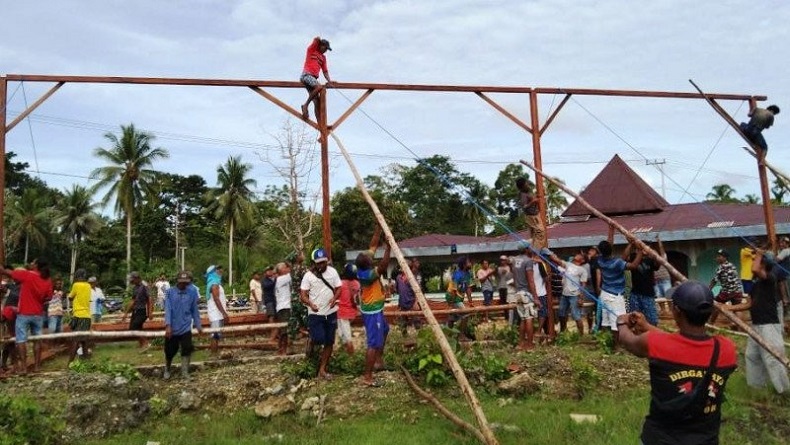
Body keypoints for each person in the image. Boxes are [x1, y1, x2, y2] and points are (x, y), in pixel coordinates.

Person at [617, 281, 737, 445]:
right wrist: (647, 326)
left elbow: (628, 341)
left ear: (676, 311)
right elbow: (685, 346)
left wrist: (621, 322)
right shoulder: (727, 349)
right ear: (710, 312)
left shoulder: (654, 344)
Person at [730, 252, 790, 393]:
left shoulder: (770, 279)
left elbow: (755, 269)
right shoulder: (756, 285)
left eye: (757, 261)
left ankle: (784, 391)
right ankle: (757, 388)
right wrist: (727, 307)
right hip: (756, 325)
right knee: (752, 356)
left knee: (772, 358)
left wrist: (758, 253)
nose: (753, 264)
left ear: (763, 265)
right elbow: (748, 304)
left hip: (768, 325)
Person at [1, 258, 54, 374]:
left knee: (21, 340)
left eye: (33, 262)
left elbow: (8, 272)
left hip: (24, 313)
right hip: (38, 314)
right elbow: (48, 298)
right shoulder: (48, 280)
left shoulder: (27, 275)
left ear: (36, 266)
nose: (30, 264)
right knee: (37, 340)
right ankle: (37, 367)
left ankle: (24, 367)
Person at [356, 228, 392, 387]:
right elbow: (383, 266)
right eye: (370, 260)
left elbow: (372, 245)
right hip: (372, 312)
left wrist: (377, 228)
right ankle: (367, 376)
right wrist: (388, 248)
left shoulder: (364, 264)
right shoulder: (367, 275)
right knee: (373, 343)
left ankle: (378, 360)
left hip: (374, 309)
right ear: (368, 264)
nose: (372, 258)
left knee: (385, 329)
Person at [300, 248, 342, 380]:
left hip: (330, 312)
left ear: (327, 261)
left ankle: (322, 369)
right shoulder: (308, 276)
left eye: (323, 262)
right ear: (313, 263)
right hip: (315, 313)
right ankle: (311, 344)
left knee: (329, 341)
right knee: (318, 338)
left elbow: (339, 288)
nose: (321, 265)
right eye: (318, 263)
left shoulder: (333, 272)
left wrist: (334, 298)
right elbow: (303, 295)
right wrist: (310, 304)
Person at [596, 239, 643, 349]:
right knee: (618, 322)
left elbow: (622, 258)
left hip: (605, 294)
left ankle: (605, 344)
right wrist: (640, 251)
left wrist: (630, 244)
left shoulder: (600, 260)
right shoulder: (617, 263)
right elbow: (634, 265)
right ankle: (617, 347)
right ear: (611, 249)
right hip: (615, 296)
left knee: (606, 322)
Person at [163, 271, 203, 380]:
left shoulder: (192, 292)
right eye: (182, 283)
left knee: (187, 348)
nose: (184, 285)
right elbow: (168, 309)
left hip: (185, 326)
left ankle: (185, 372)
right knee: (170, 350)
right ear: (177, 281)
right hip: (173, 327)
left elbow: (194, 309)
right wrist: (168, 325)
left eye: (186, 283)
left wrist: (198, 324)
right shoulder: (169, 292)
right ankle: (167, 369)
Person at [545, 251, 589, 335]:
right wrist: (548, 252)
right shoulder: (568, 264)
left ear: (582, 260)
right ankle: (563, 331)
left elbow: (583, 285)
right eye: (578, 253)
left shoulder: (582, 270)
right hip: (564, 294)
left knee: (576, 315)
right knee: (561, 313)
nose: (577, 254)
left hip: (574, 295)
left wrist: (581, 298)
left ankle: (581, 335)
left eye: (580, 255)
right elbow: (556, 259)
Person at [511, 245, 540, 350]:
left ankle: (521, 343)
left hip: (518, 292)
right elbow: (531, 281)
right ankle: (529, 344)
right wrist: (536, 298)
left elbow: (514, 278)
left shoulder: (515, 260)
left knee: (523, 318)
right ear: (527, 249)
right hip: (526, 293)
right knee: (529, 318)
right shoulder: (528, 261)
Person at [300, 36, 333, 121]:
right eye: (325, 48)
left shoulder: (323, 58)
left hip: (313, 79)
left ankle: (319, 124)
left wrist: (330, 81)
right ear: (320, 45)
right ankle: (305, 105)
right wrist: (318, 40)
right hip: (306, 75)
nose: (326, 50)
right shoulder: (312, 50)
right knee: (319, 87)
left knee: (317, 102)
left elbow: (325, 71)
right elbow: (317, 39)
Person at [708, 249, 744, 325]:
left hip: (727, 292)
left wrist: (708, 289)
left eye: (719, 256)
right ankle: (740, 326)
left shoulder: (721, 267)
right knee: (738, 308)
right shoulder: (732, 265)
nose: (717, 258)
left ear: (725, 258)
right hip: (737, 290)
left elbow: (714, 280)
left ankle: (711, 324)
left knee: (716, 306)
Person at [629, 248, 660, 326]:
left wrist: (655, 255)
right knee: (635, 318)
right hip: (635, 293)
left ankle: (651, 334)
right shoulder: (633, 257)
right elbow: (624, 257)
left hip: (648, 293)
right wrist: (631, 245)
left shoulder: (650, 259)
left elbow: (657, 265)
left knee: (652, 319)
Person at [121, 272, 153, 350]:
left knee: (135, 326)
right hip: (136, 310)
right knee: (133, 328)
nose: (132, 282)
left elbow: (150, 299)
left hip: (143, 310)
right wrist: (126, 313)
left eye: (133, 280)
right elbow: (133, 301)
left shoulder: (144, 286)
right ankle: (142, 344)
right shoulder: (135, 288)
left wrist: (150, 312)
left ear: (137, 278)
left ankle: (146, 343)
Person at [446, 256, 475, 339]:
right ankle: (461, 336)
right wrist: (451, 302)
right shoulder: (457, 274)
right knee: (466, 315)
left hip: (459, 297)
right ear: (464, 264)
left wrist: (470, 302)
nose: (470, 264)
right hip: (453, 297)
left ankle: (447, 336)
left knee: (452, 317)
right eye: (469, 262)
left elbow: (468, 288)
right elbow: (453, 289)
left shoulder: (468, 274)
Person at [67, 269, 93, 363]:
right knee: (84, 341)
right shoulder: (89, 286)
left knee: (75, 340)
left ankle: (70, 363)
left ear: (77, 276)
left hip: (78, 315)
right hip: (86, 316)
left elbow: (70, 297)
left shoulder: (76, 285)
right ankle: (86, 362)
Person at [516, 177, 547, 249]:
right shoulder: (523, 194)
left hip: (534, 215)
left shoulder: (527, 192)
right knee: (540, 233)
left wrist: (536, 198)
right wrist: (533, 201)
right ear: (523, 186)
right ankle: (537, 252)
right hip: (532, 216)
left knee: (534, 235)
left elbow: (533, 200)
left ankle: (533, 249)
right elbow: (524, 207)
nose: (528, 184)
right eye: (526, 183)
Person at [205, 265, 229, 355]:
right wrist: (224, 313)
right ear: (213, 273)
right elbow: (216, 299)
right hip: (216, 314)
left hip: (217, 314)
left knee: (216, 335)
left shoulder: (215, 283)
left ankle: (215, 354)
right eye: (218, 270)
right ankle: (214, 356)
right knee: (215, 336)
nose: (220, 271)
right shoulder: (214, 284)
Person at [337, 263, 360, 354]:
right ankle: (346, 354)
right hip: (351, 312)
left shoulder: (341, 284)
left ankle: (351, 355)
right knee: (343, 335)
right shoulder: (357, 284)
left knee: (347, 337)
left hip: (342, 312)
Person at [1, 279, 20, 374]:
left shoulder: (14, 296)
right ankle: (6, 364)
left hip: (10, 321)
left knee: (9, 341)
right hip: (4, 321)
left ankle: (8, 363)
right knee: (8, 342)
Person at [274, 262, 292, 355]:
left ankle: (281, 349)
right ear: (281, 270)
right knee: (284, 330)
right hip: (284, 307)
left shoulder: (282, 279)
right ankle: (283, 350)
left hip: (283, 307)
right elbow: (292, 271)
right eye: (285, 268)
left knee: (283, 330)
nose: (287, 269)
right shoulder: (282, 279)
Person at [496, 255, 513, 320]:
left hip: (509, 288)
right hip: (501, 287)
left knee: (508, 302)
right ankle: (506, 317)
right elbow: (501, 273)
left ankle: (510, 317)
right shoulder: (499, 268)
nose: (502, 261)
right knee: (503, 303)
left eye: (504, 260)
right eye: (501, 260)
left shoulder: (510, 267)